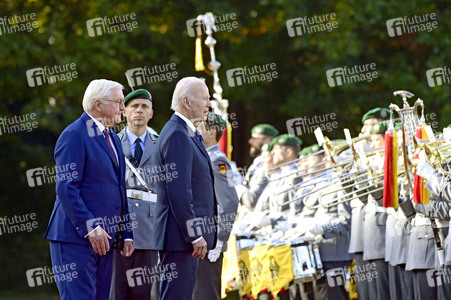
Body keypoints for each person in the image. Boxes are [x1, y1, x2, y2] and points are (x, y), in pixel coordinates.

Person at [44, 79, 134, 300]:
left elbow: (119, 188)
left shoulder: (112, 137)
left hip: (107, 239)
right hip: (76, 238)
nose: (124, 109)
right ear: (98, 104)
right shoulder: (74, 134)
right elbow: (67, 188)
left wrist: (126, 232)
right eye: (119, 102)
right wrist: (90, 227)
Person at [151, 77, 217, 300]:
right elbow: (178, 190)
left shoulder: (184, 131)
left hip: (181, 238)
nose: (209, 104)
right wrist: (194, 234)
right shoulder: (178, 134)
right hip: (180, 238)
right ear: (187, 102)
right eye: (205, 99)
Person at [112, 89, 159, 300]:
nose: (139, 111)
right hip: (119, 228)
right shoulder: (111, 141)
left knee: (144, 294)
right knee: (115, 292)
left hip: (150, 231)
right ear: (124, 111)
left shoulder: (162, 144)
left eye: (144, 107)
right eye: (134, 106)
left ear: (151, 113)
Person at [193, 112, 239, 300]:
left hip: (210, 241)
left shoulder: (217, 161)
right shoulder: (203, 158)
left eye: (198, 126)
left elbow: (229, 201)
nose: (193, 130)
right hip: (200, 239)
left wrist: (219, 239)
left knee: (205, 294)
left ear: (211, 132)